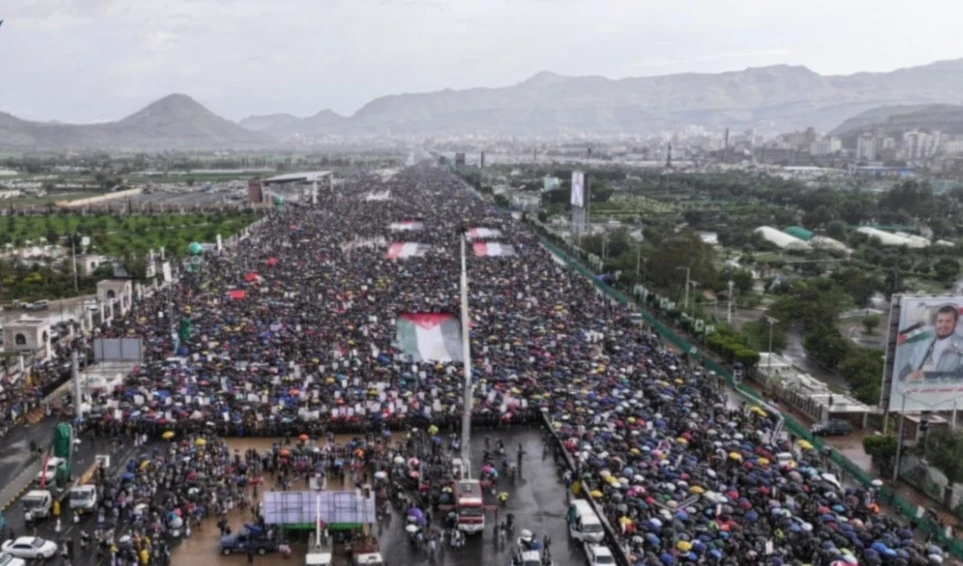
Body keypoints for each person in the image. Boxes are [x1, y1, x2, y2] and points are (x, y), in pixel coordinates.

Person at [900, 304, 963, 381]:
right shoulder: (924, 344)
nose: (943, 325)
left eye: (948, 321)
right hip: (916, 391)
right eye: (940, 321)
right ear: (936, 323)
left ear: (955, 324)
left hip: (946, 391)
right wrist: (906, 376)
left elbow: (961, 375)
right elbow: (905, 370)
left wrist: (927, 376)